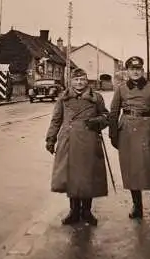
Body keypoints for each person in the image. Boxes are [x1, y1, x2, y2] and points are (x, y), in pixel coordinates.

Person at [108, 56, 150, 223]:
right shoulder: (121, 89)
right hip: (127, 133)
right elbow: (113, 112)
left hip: (148, 131)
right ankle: (137, 207)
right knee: (131, 170)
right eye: (132, 69)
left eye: (138, 69)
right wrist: (113, 133)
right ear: (127, 72)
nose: (135, 72)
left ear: (142, 71)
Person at [45, 68, 109, 226]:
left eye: (82, 79)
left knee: (87, 176)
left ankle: (87, 211)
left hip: (89, 140)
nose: (79, 83)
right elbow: (56, 120)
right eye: (76, 80)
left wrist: (97, 121)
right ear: (70, 81)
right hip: (69, 141)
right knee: (71, 177)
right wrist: (50, 139)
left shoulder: (96, 98)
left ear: (87, 81)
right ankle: (74, 211)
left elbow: (106, 116)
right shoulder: (63, 98)